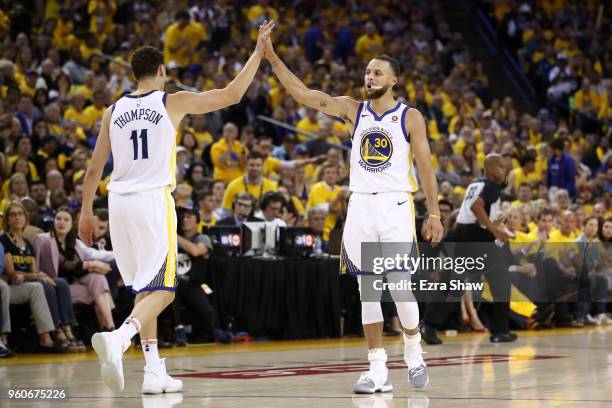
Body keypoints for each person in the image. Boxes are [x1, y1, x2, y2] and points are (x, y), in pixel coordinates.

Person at [78, 20, 275, 395]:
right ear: (163, 72)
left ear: (133, 74)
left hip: (116, 202)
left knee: (144, 287)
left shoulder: (112, 110)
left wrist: (87, 212)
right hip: (152, 200)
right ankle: (120, 339)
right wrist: (257, 53)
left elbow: (93, 169)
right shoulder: (172, 100)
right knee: (165, 290)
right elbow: (232, 95)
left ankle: (154, 371)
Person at [264, 36, 443, 392]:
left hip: (395, 204)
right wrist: (271, 57)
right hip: (360, 204)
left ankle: (413, 351)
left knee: (399, 287)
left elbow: (425, 167)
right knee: (368, 290)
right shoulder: (351, 109)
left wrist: (434, 213)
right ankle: (377, 370)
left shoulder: (410, 116)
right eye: (367, 72)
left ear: (394, 80)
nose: (370, 77)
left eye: (378, 72)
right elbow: (302, 94)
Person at [421, 154, 516, 345]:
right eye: (500, 167)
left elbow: (470, 211)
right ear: (489, 168)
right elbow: (476, 207)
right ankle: (500, 332)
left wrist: (493, 223)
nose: (504, 171)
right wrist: (494, 231)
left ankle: (428, 325)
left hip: (461, 235)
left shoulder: (475, 184)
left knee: (451, 283)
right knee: (501, 283)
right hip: (478, 239)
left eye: (506, 168)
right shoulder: (491, 185)